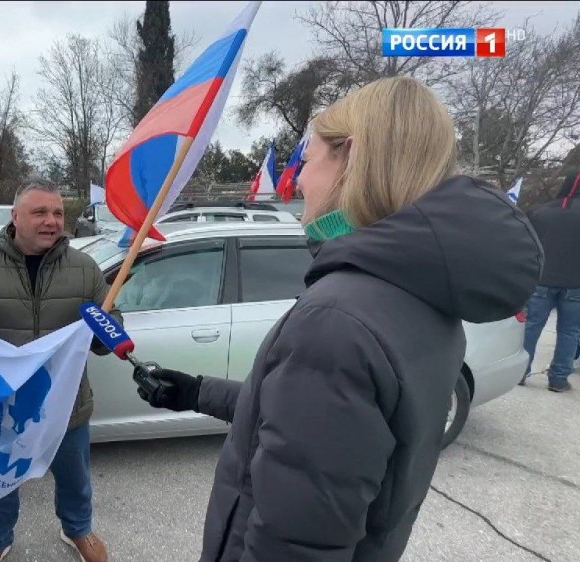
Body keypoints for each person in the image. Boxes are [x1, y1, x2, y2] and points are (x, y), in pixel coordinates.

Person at [133, 76, 542, 562]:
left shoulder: (337, 320)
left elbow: (296, 546)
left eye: (307, 161)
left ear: (351, 157)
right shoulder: (416, 296)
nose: (299, 182)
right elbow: (314, 426)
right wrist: (196, 392)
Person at [0, 179, 117, 562]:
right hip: (2, 406)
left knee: (75, 479)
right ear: (16, 217)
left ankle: (78, 529)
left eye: (57, 213)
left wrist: (108, 328)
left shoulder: (85, 270)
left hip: (68, 406)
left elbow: (106, 340)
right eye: (40, 212)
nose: (51, 221)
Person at [519, 169, 580, 392]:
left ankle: (520, 371)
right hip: (576, 285)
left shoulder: (540, 212)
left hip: (542, 279)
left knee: (531, 326)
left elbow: (525, 245)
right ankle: (559, 379)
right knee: (570, 332)